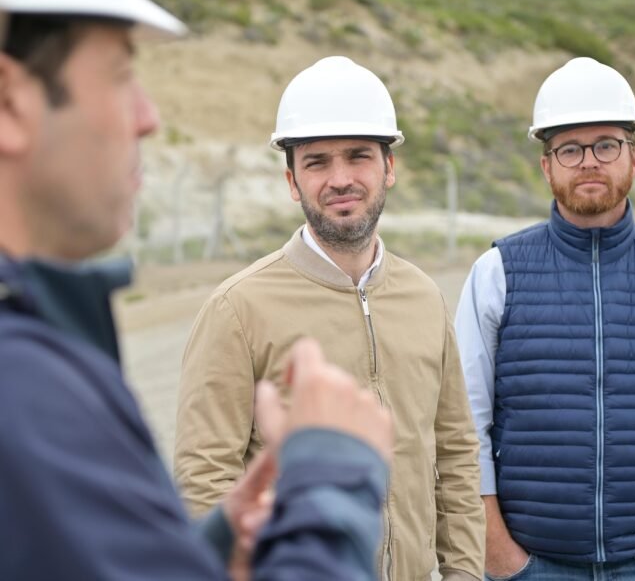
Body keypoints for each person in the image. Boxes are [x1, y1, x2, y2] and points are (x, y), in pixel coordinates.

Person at [0, 0, 394, 579]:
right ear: (9, 102)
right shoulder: (23, 390)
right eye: (121, 75)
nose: (148, 117)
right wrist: (331, 480)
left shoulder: (37, 357)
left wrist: (208, 547)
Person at [175, 55, 485, 581]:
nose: (340, 179)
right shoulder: (237, 309)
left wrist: (465, 575)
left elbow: (455, 456)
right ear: (292, 180)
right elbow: (205, 481)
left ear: (389, 166)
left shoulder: (424, 298)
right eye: (317, 161)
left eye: (358, 157)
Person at [454, 57, 635, 581]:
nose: (588, 161)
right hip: (529, 566)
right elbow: (463, 428)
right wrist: (501, 558)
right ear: (547, 165)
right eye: (569, 148)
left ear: (633, 159)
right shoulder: (495, 274)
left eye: (606, 145)